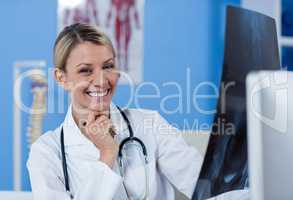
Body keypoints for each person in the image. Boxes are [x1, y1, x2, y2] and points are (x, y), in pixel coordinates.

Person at [27, 23, 202, 200]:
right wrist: (107, 154)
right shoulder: (46, 152)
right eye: (85, 70)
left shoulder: (151, 124)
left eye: (108, 66)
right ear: (61, 78)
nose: (101, 80)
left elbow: (205, 185)